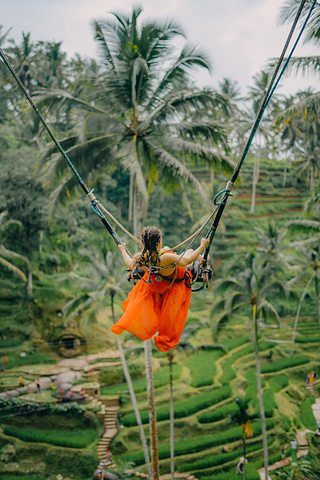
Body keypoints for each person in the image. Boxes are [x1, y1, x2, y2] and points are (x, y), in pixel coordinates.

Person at [112, 226, 210, 352]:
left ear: (143, 243)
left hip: (157, 280)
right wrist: (202, 245)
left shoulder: (140, 257)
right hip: (175, 279)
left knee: (168, 250)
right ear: (159, 242)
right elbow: (186, 260)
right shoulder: (166, 258)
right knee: (190, 251)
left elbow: (130, 264)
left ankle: (199, 257)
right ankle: (201, 258)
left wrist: (122, 250)